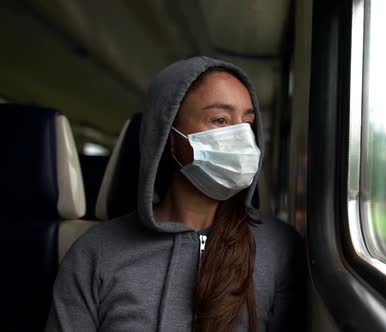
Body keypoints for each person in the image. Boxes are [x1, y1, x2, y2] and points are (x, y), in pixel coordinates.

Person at [46, 56, 305, 332]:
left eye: (247, 123)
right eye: (220, 120)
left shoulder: (280, 248)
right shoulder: (95, 254)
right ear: (169, 136)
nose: (241, 138)